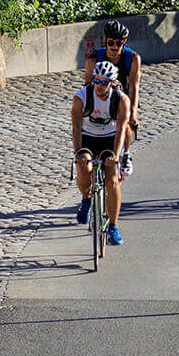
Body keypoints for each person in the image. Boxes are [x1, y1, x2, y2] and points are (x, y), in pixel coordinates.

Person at [70, 58, 127, 246]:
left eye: (104, 82)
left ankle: (113, 226)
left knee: (112, 181)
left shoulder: (121, 100)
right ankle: (86, 199)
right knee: (83, 167)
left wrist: (116, 156)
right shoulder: (81, 97)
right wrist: (78, 152)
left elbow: (121, 130)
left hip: (109, 139)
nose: (99, 85)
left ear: (112, 83)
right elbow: (76, 126)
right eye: (97, 80)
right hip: (87, 136)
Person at [87, 20, 142, 173]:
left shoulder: (132, 58)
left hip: (123, 96)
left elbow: (134, 88)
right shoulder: (94, 58)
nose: (114, 47)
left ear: (124, 42)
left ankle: (126, 155)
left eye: (118, 43)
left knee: (126, 122)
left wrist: (133, 115)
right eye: (111, 43)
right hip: (100, 95)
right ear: (106, 41)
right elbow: (87, 87)